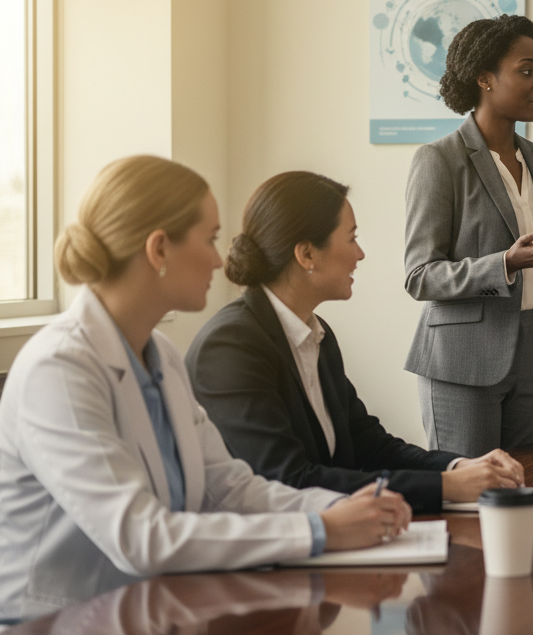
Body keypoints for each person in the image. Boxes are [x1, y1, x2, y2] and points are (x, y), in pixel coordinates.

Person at [0, 156, 409, 621]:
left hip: (150, 611)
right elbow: (143, 538)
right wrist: (318, 529)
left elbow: (229, 487)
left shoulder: (160, 354)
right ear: (159, 250)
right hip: (59, 622)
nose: (220, 258)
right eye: (210, 239)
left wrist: (345, 508)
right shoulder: (58, 370)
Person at [187, 172, 526, 514]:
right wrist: (445, 487)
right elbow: (287, 481)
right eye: (351, 238)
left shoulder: (317, 335)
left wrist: (459, 467)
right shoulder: (231, 346)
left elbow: (370, 446)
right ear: (307, 254)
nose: (360, 254)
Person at [404, 15, 533, 457]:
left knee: (525, 491)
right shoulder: (439, 160)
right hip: (461, 360)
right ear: (485, 79)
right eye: (526, 71)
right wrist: (505, 264)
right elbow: (420, 276)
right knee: (470, 504)